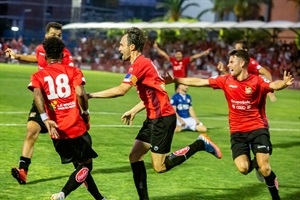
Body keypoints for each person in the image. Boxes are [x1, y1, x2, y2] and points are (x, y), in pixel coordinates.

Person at [87, 27, 222, 200]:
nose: (119, 48)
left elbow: (121, 90)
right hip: (153, 118)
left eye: (122, 45)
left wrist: (90, 95)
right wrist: (134, 110)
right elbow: (154, 94)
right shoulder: (144, 63)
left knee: (160, 167)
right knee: (135, 156)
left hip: (163, 119)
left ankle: (200, 144)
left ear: (132, 47)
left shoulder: (140, 64)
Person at [175, 49, 294, 200]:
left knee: (265, 168)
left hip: (257, 128)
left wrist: (283, 84)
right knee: (243, 168)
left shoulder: (256, 81)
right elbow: (200, 81)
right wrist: (175, 79)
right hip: (237, 132)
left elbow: (273, 85)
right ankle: (256, 163)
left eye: (231, 62)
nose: (228, 64)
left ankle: (275, 196)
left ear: (242, 63)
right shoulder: (225, 80)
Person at [28, 37, 106, 200]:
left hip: (56, 130)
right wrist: (85, 113)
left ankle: (100, 198)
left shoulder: (38, 76)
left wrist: (45, 118)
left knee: (80, 167)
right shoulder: (73, 71)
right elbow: (80, 93)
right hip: (75, 126)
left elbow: (37, 96)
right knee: (86, 166)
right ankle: (62, 194)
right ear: (63, 55)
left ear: (45, 56)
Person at [5, 22, 74, 184]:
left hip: (59, 103)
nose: (56, 38)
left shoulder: (65, 54)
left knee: (65, 142)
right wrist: (17, 56)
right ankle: (23, 171)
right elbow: (37, 59)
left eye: (59, 35)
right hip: (41, 99)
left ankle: (82, 172)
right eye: (53, 35)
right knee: (31, 130)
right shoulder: (40, 50)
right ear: (46, 35)